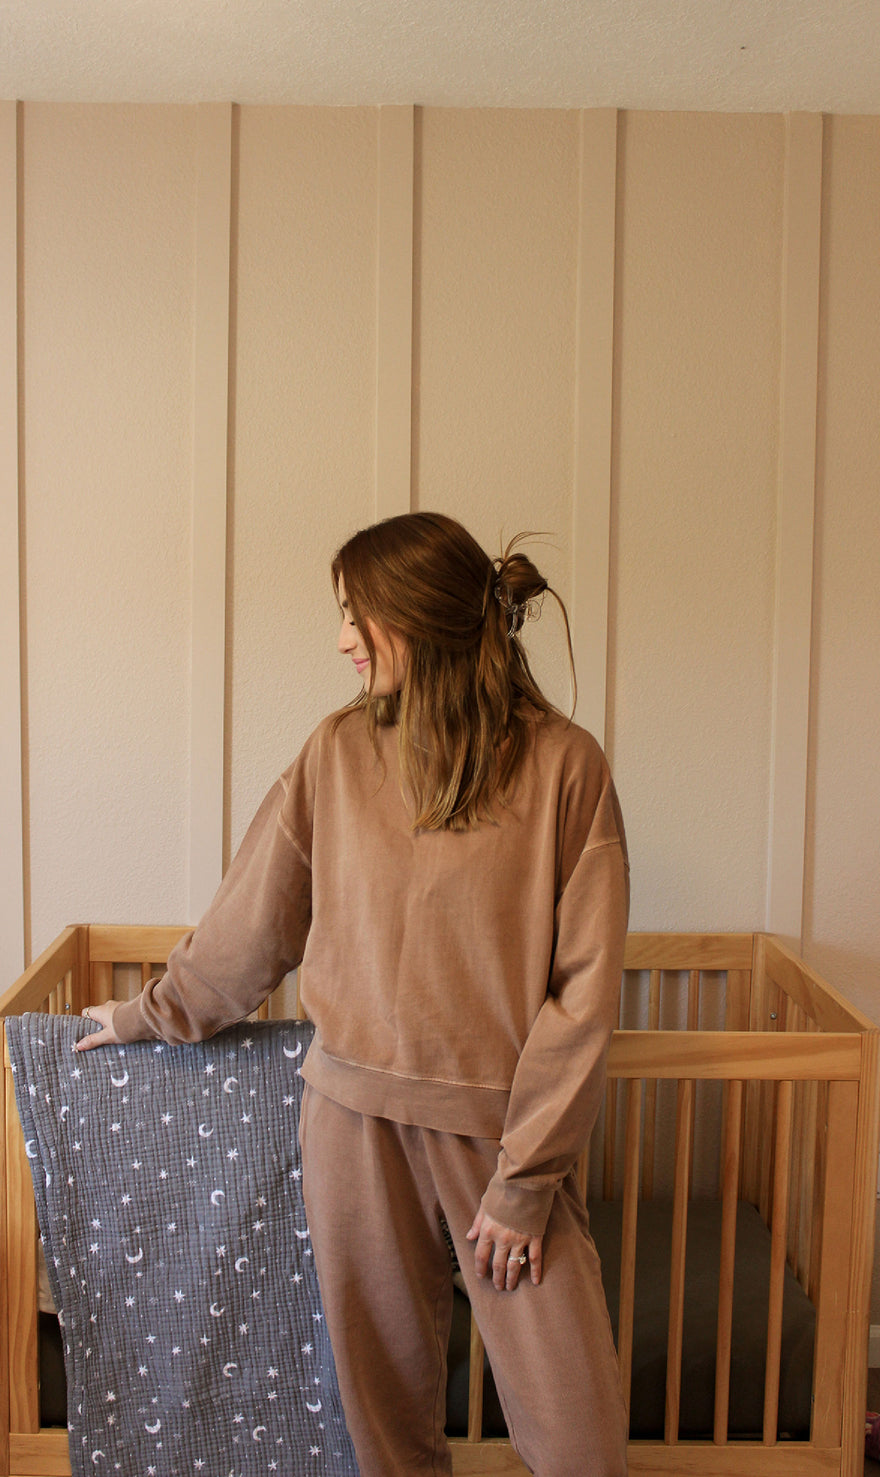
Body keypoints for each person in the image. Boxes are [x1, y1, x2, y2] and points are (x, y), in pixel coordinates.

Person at [77, 511, 630, 1476]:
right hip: (350, 1127)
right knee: (386, 1428)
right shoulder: (334, 754)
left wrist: (528, 1179)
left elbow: (583, 996)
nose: (342, 639)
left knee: (580, 1441)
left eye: (356, 614)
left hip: (497, 1139)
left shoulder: (565, 765)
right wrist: (143, 1015)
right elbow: (252, 924)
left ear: (416, 617)